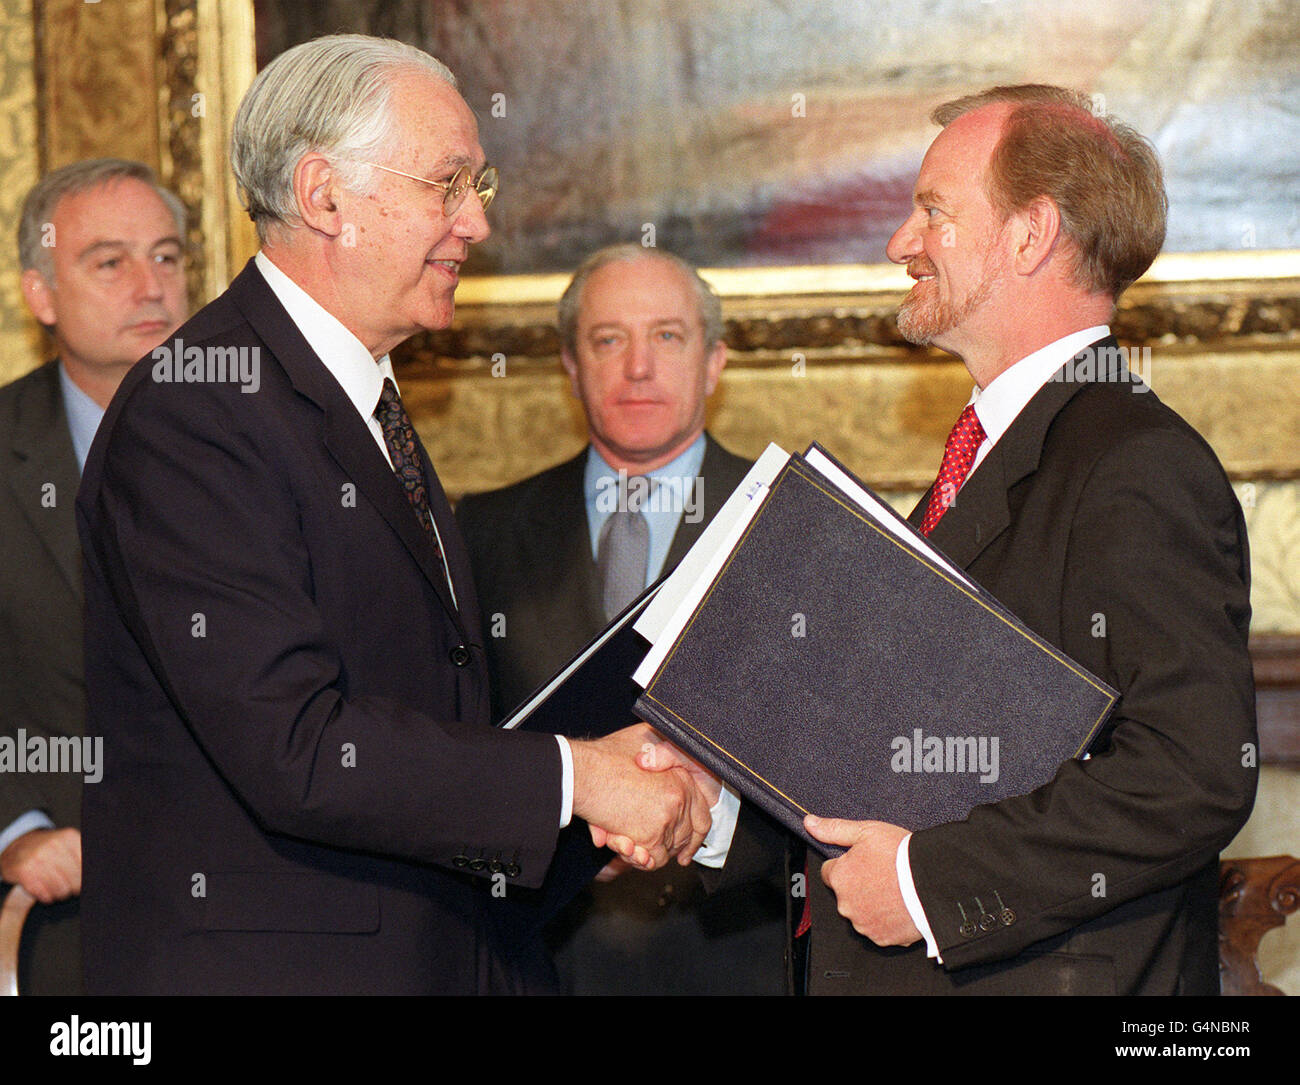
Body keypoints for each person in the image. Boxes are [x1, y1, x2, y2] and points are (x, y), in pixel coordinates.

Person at [76, 34, 713, 995]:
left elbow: (415, 702)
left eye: (478, 187)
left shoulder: (358, 397)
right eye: (448, 184)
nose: (476, 226)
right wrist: (575, 779)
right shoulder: (194, 411)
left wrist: (581, 801)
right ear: (325, 194)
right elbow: (297, 745)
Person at [654, 84, 1256, 995]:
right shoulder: (997, 451)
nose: (901, 242)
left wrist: (927, 884)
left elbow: (1192, 769)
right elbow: (899, 741)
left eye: (932, 210)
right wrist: (707, 798)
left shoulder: (1136, 461)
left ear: (1030, 234)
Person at [458, 244, 785, 995]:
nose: (638, 366)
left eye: (667, 336)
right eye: (609, 340)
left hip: (740, 955)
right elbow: (461, 735)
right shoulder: (484, 529)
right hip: (541, 956)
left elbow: (839, 755)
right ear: (571, 366)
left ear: (714, 361)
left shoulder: (788, 522)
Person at [0, 158, 188, 994]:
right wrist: (15, 827)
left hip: (272, 919)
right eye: (110, 262)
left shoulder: (279, 441)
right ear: (39, 295)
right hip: (75, 929)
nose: (150, 287)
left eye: (168, 256)